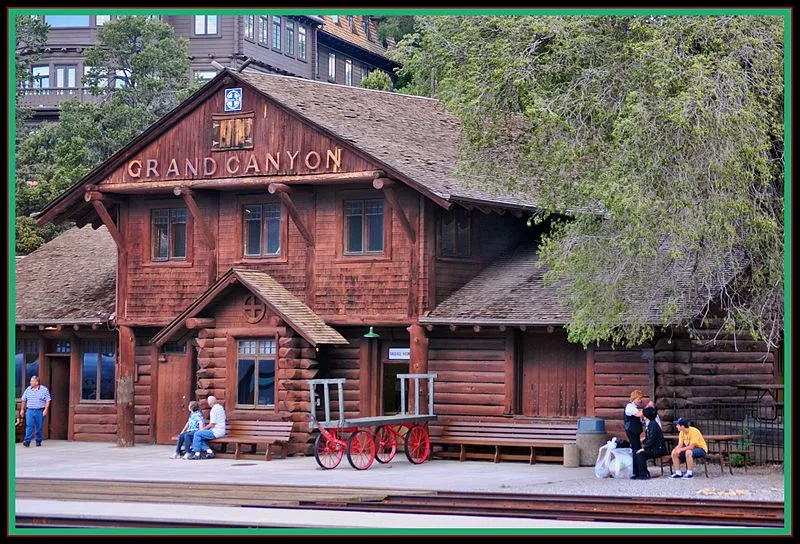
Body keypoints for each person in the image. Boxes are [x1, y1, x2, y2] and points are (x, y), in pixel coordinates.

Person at [633, 406, 668, 480]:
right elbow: (649, 439)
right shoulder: (651, 424)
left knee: (640, 454)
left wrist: (644, 448)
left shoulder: (652, 425)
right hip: (654, 448)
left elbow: (651, 440)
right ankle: (637, 473)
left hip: (658, 449)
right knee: (635, 452)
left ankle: (644, 474)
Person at [188, 395, 226, 460]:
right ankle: (209, 451)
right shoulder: (220, 407)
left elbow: (212, 424)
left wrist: (203, 429)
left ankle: (196, 453)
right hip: (222, 431)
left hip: (216, 432)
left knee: (197, 434)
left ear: (210, 403)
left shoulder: (214, 410)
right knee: (200, 437)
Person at [18, 375, 51, 447]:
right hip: (29, 410)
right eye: (30, 381)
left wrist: (45, 410)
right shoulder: (28, 389)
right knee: (29, 425)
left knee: (39, 426)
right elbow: (24, 400)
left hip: (39, 410)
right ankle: (27, 441)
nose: (30, 382)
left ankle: (38, 441)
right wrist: (22, 410)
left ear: (37, 382)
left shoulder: (44, 390)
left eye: (32, 381)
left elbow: (48, 400)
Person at [624, 389, 646, 478]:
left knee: (637, 449)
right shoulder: (630, 407)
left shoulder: (634, 407)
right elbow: (638, 415)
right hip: (631, 431)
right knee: (636, 450)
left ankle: (637, 471)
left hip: (635, 431)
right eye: (639, 398)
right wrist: (648, 408)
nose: (640, 400)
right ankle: (637, 472)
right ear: (634, 398)